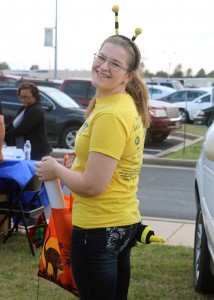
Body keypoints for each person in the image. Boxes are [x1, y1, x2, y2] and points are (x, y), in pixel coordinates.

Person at [35, 6, 151, 299]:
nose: (103, 66)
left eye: (114, 63)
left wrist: (56, 171)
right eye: (101, 56)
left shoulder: (111, 114)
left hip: (98, 229)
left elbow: (93, 185)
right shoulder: (120, 105)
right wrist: (79, 163)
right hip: (121, 222)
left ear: (128, 75)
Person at [5, 82, 52, 160]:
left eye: (27, 97)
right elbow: (12, 125)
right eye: (21, 97)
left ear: (35, 96)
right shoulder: (25, 108)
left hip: (37, 151)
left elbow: (21, 130)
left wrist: (3, 136)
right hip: (26, 149)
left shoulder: (36, 110)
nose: (23, 100)